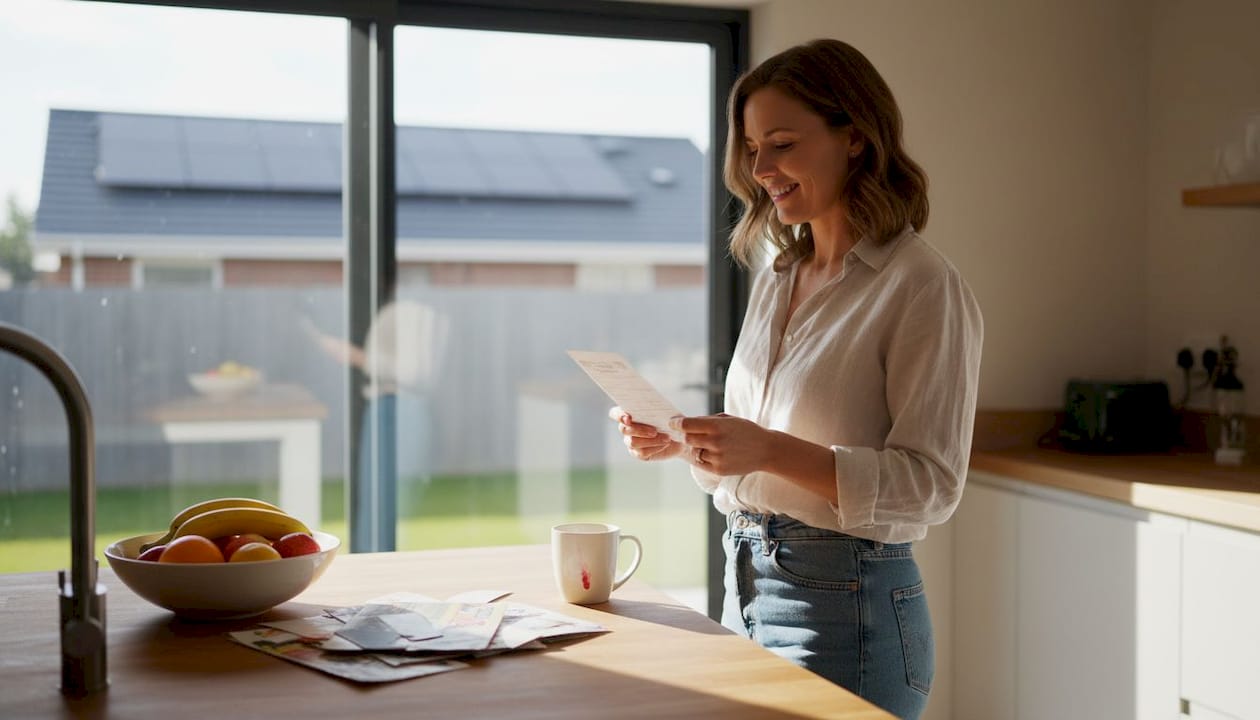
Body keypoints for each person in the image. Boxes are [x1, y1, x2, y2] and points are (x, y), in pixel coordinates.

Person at [611, 38, 982, 719]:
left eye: (781, 143)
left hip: (850, 610)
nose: (760, 169)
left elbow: (930, 486)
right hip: (743, 583)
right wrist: (689, 442)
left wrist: (768, 450)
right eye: (752, 148)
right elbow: (764, 452)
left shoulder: (922, 285)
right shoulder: (779, 276)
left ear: (856, 139)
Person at [306, 282, 445, 551]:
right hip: (386, 406)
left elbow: (416, 373)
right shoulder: (397, 312)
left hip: (400, 408)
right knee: (374, 502)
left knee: (390, 505)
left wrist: (358, 357)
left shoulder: (411, 312)